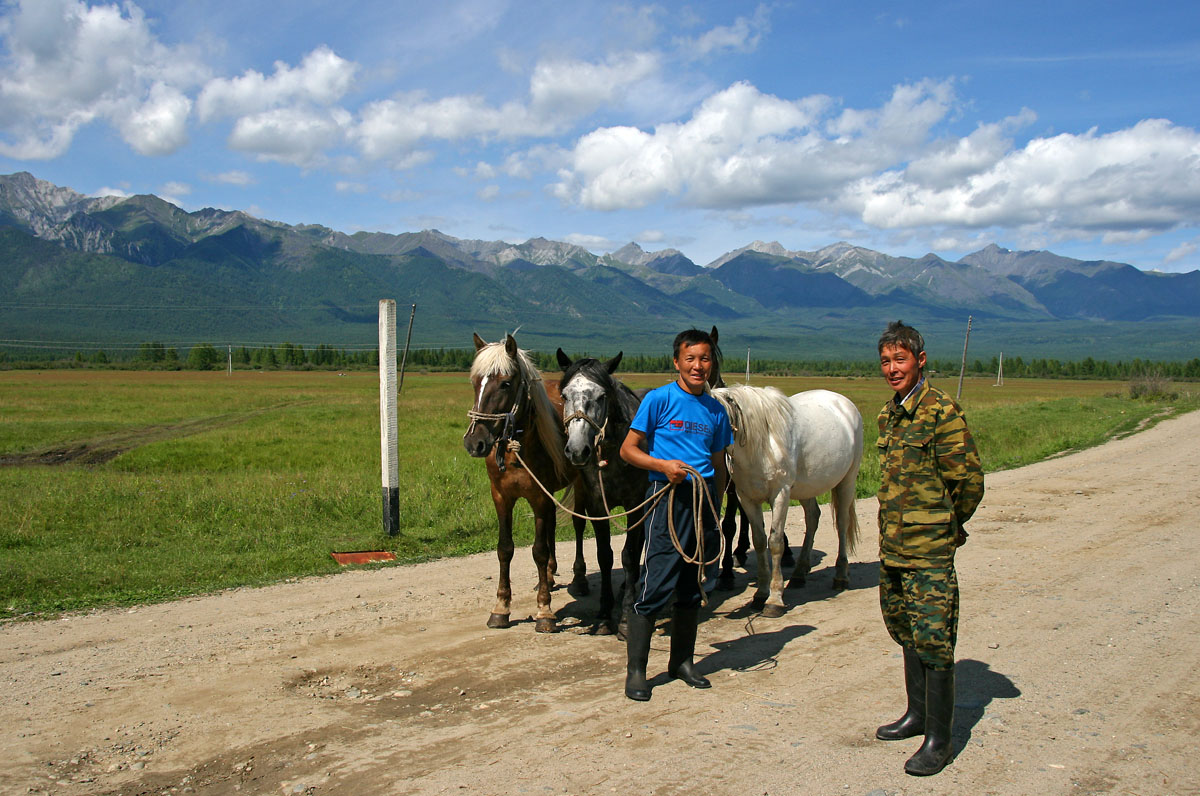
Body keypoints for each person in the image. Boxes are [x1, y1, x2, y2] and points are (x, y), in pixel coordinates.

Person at [874, 320, 984, 776]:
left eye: (900, 359)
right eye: (885, 361)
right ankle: (916, 715)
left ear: (920, 360)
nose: (892, 368)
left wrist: (944, 528)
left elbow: (969, 482)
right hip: (894, 549)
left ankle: (940, 739)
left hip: (930, 551)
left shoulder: (942, 411)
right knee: (904, 629)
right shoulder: (888, 414)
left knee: (935, 639)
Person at [619, 328, 732, 702]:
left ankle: (681, 662)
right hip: (665, 498)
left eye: (704, 358)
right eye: (691, 359)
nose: (698, 366)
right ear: (677, 362)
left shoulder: (717, 410)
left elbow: (717, 462)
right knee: (656, 583)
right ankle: (636, 672)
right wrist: (662, 465)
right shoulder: (659, 399)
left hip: (702, 502)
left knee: (692, 585)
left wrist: (715, 508)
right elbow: (628, 450)